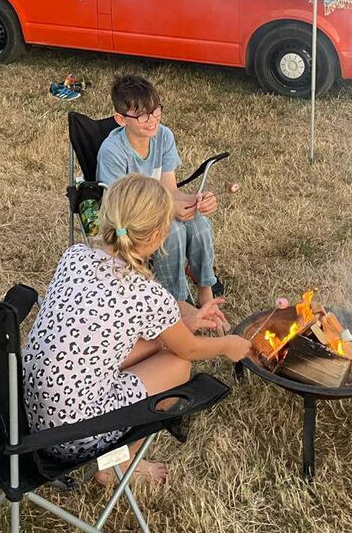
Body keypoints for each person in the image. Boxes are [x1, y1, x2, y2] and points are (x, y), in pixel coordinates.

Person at [22, 174, 250, 483]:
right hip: (76, 437)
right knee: (177, 364)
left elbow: (120, 331)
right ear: (159, 236)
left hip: (30, 417)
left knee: (155, 344)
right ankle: (119, 463)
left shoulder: (74, 256)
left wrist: (185, 321)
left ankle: (115, 459)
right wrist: (228, 346)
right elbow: (189, 349)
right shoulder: (145, 293)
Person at [96, 74, 224, 323]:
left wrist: (197, 200)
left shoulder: (164, 136)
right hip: (129, 219)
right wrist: (169, 210)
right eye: (142, 116)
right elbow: (120, 207)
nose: (152, 120)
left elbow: (170, 189)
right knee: (173, 231)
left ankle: (206, 292)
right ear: (121, 119)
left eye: (155, 111)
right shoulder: (113, 151)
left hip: (157, 207)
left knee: (198, 222)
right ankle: (175, 302)